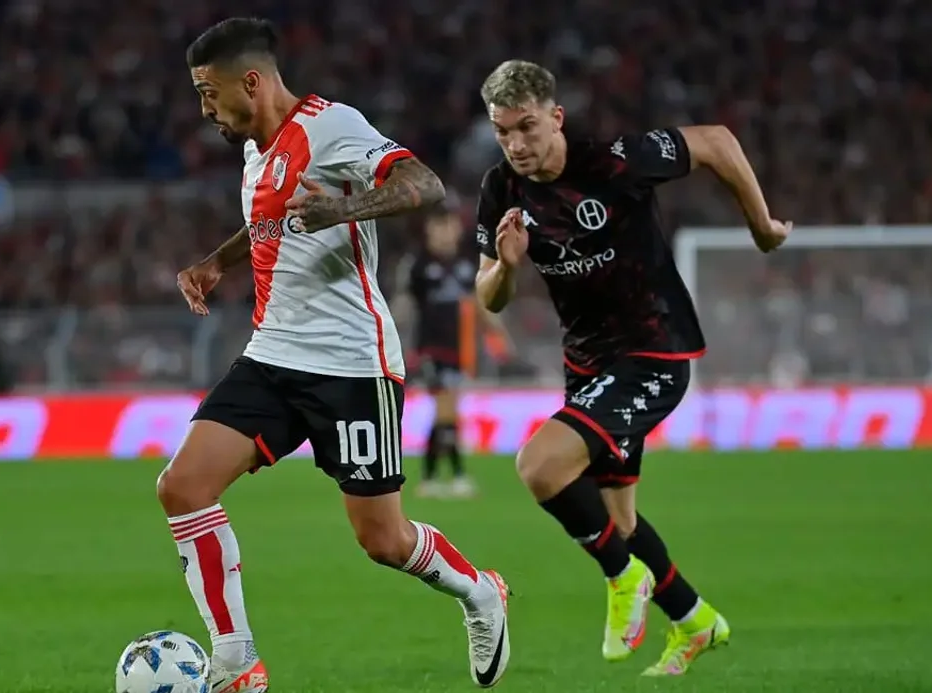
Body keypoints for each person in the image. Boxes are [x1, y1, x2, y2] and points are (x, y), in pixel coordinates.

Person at [159, 18, 512, 693]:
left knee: (383, 539)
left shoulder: (331, 126)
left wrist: (346, 210)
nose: (204, 109)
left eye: (208, 92)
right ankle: (236, 661)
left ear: (251, 82)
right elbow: (269, 222)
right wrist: (217, 262)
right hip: (273, 353)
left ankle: (479, 591)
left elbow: (425, 185)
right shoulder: (256, 152)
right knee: (182, 486)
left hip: (352, 363)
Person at [472, 59, 790, 677]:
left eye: (527, 127)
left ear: (556, 118)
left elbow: (717, 142)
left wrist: (761, 226)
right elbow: (491, 298)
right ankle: (694, 619)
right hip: (587, 362)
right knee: (617, 519)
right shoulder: (501, 189)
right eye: (502, 131)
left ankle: (622, 577)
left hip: (653, 350)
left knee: (540, 466)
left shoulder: (615, 161)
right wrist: (506, 266)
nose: (516, 144)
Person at [391, 203, 511, 499]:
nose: (445, 233)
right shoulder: (418, 264)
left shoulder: (466, 265)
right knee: (447, 410)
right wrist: (391, 337)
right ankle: (449, 476)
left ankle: (435, 477)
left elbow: (480, 304)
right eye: (439, 226)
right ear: (429, 230)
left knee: (447, 414)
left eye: (450, 226)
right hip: (431, 349)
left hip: (460, 350)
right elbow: (402, 305)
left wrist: (499, 336)